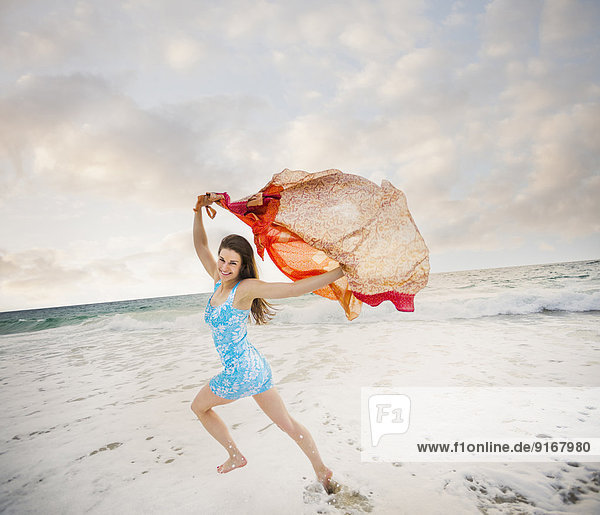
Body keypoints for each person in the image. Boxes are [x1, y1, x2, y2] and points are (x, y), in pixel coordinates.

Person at [190, 192, 344, 494]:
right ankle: (322, 471)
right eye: (222, 259)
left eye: (232, 263)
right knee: (287, 423)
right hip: (255, 367)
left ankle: (235, 455)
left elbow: (294, 289)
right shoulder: (218, 280)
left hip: (239, 372)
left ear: (243, 265)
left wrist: (339, 272)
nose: (224, 266)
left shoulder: (245, 288)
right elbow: (200, 246)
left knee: (198, 407)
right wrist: (198, 210)